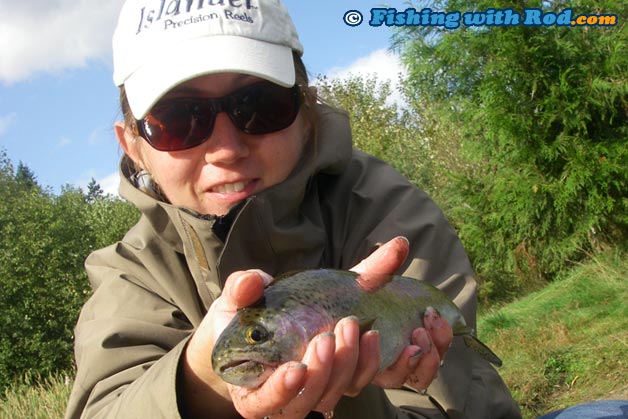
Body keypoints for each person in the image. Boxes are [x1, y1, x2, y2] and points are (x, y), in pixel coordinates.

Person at [65, 0, 522, 418]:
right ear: (134, 147)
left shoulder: (384, 211)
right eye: (179, 121)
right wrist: (201, 381)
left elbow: (463, 405)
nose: (226, 149)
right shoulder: (129, 274)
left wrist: (352, 391)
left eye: (259, 106)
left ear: (306, 112)